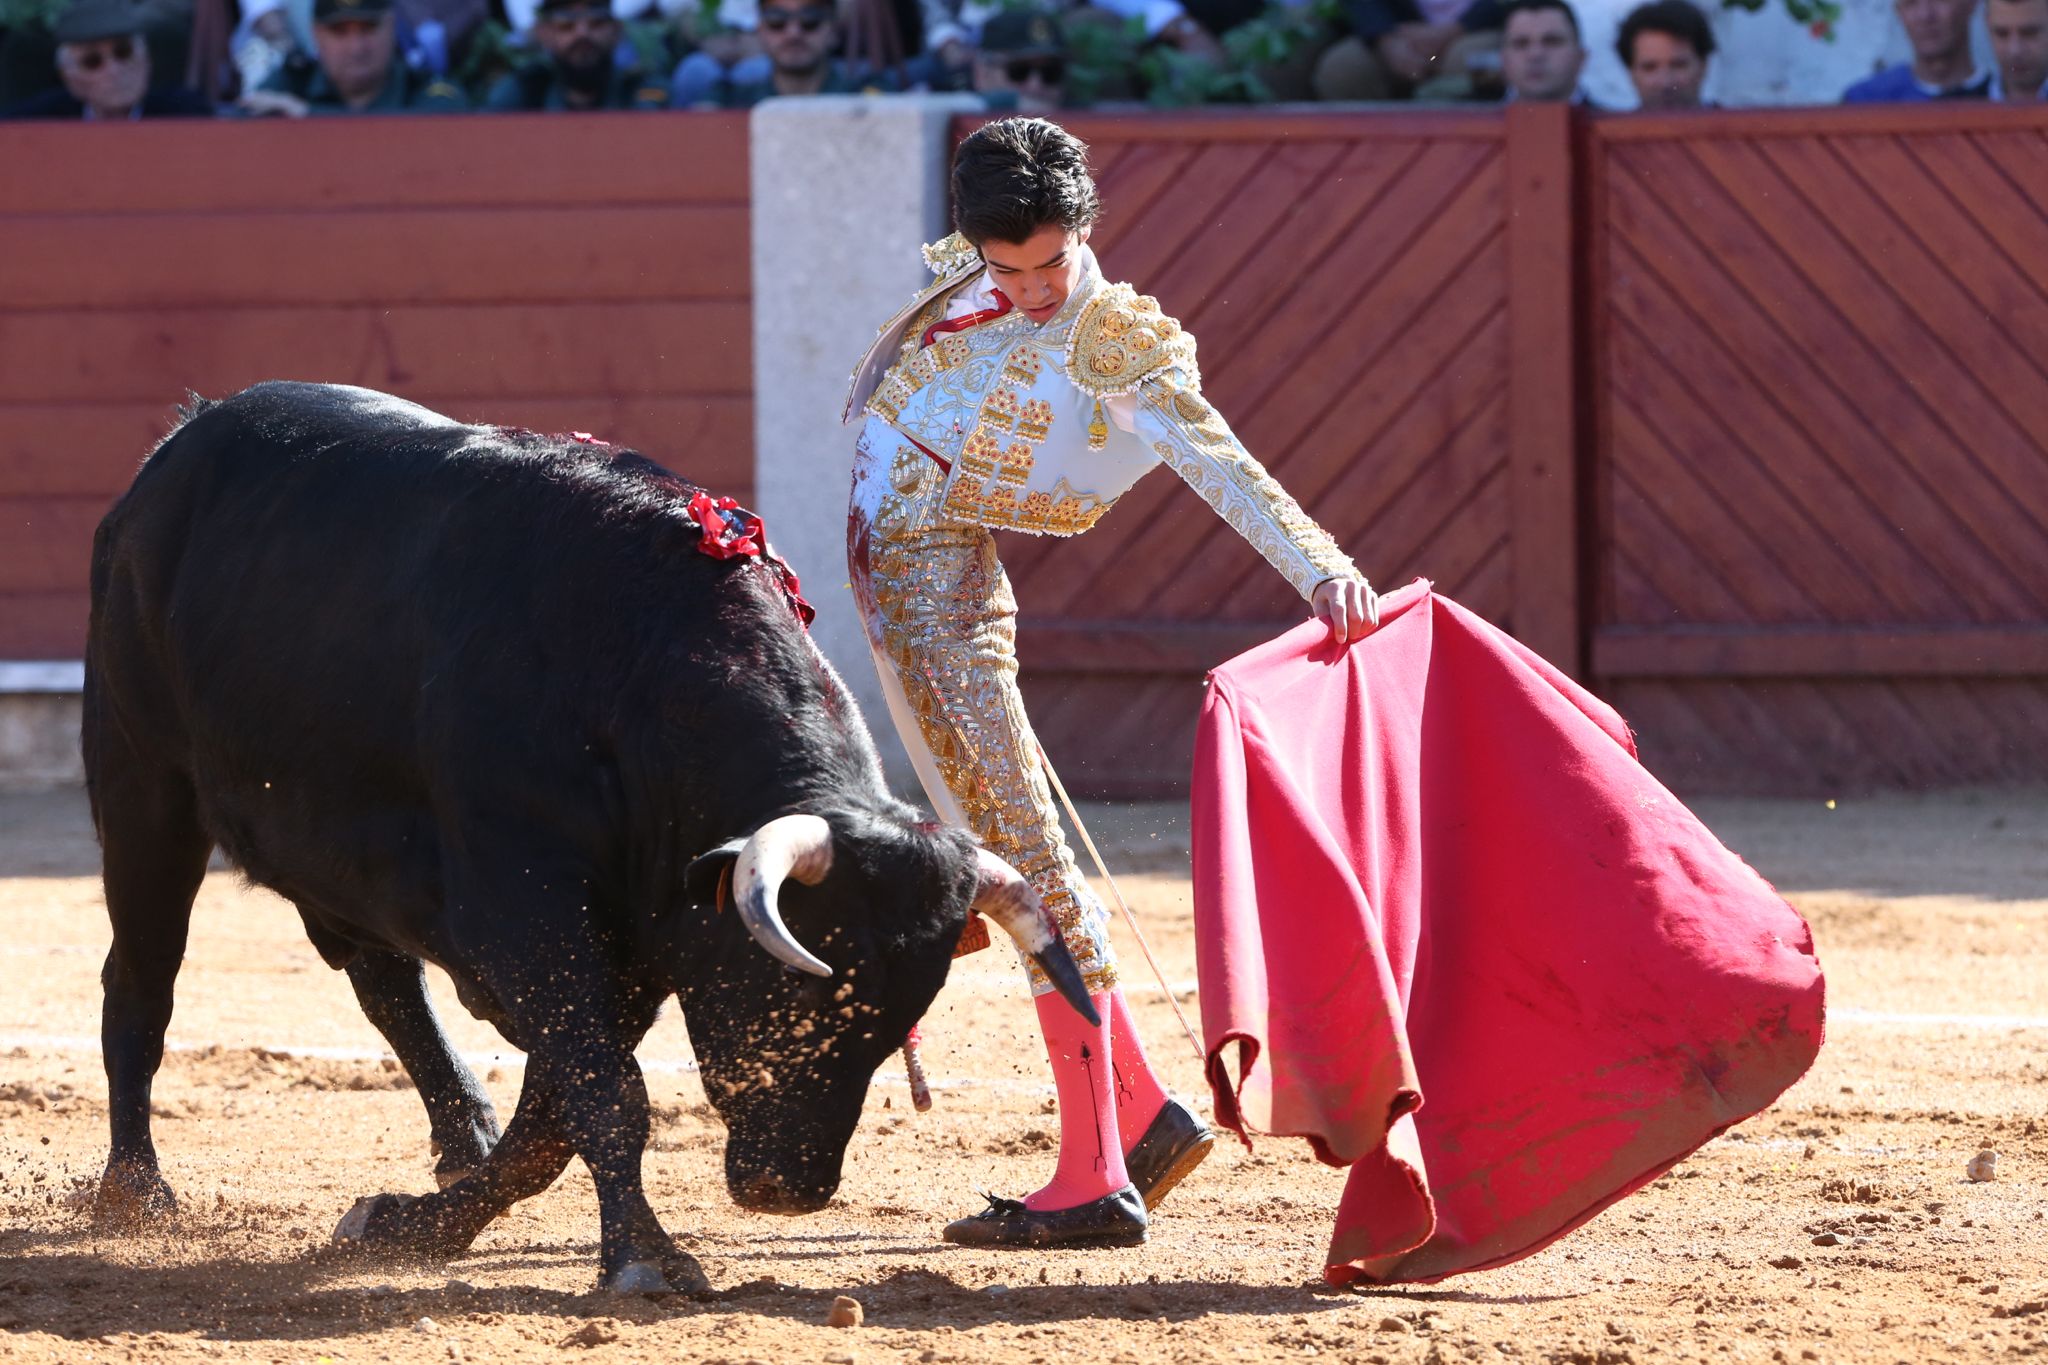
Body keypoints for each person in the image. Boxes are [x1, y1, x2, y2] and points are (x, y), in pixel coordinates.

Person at [842, 117, 1378, 1249]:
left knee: (1027, 873)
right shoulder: (963, 278)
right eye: (1008, 268)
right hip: (900, 619)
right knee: (1011, 862)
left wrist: (1320, 565)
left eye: (1051, 262)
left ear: (1084, 232)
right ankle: (1142, 1117)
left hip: (940, 611)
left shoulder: (1112, 338)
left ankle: (1092, 1179)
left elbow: (1214, 458)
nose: (1035, 289)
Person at [241, 0, 468, 115]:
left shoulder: (421, 87)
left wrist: (308, 118)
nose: (356, 47)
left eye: (368, 29)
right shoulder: (294, 83)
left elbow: (447, 119)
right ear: (317, 34)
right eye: (340, 32)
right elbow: (237, 122)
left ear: (390, 27)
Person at [5, 0, 212, 118]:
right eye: (92, 61)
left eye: (123, 52)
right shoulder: (37, 122)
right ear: (69, 77)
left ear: (146, 60)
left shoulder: (187, 114)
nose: (113, 70)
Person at [484, 0, 670, 109]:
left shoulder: (639, 90)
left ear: (616, 31)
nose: (582, 34)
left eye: (596, 23)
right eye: (567, 26)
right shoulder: (525, 92)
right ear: (546, 35)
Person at [714, 0, 888, 104]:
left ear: (834, 30)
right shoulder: (729, 100)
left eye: (810, 20)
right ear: (760, 30)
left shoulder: (864, 96)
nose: (793, 33)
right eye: (777, 20)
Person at [1842, 0, 1988, 100]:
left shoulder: (1999, 95)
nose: (1925, 15)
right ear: (1899, 12)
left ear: (1971, 3)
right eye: (1911, 2)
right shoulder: (1867, 102)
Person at [1615, 0, 1711, 108]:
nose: (1665, 83)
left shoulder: (1732, 123)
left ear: (1703, 66)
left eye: (1678, 65)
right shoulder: (1609, 125)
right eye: (1650, 68)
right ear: (1631, 73)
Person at [971, 8, 1065, 112]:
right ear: (983, 75)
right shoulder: (953, 119)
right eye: (1019, 71)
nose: (1035, 85)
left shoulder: (1082, 123)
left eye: (1051, 72)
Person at [1500, 0, 1587, 103]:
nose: (1535, 54)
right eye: (1521, 43)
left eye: (1552, 41)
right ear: (1503, 60)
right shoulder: (1479, 119)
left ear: (1581, 57)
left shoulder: (1609, 119)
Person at [1988, 0, 2048, 100]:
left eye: (2029, 33)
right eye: (2002, 34)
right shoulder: (1957, 105)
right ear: (1987, 24)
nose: (2015, 51)